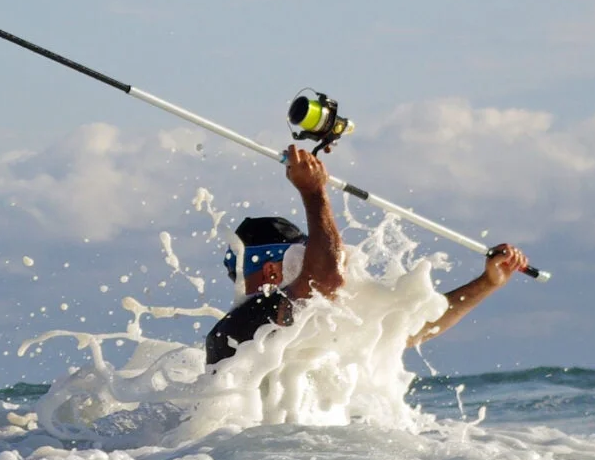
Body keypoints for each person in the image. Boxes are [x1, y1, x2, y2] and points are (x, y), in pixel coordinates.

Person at [204, 145, 530, 367]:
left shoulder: (313, 318)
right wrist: (314, 192)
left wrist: (487, 283)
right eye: (300, 257)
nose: (309, 261)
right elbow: (327, 279)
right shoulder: (243, 323)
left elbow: (411, 330)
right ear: (272, 270)